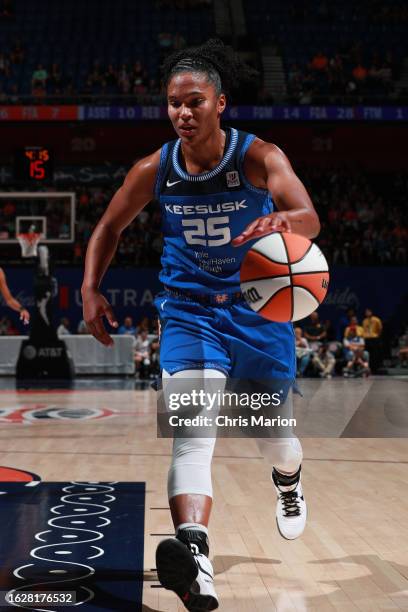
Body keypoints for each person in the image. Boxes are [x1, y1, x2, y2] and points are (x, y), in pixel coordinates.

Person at [81, 39, 320, 611]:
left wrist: (275, 219)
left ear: (220, 104)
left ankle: (289, 482)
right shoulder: (153, 169)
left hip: (256, 310)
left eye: (194, 102)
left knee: (275, 440)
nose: (182, 113)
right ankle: (197, 560)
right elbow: (109, 227)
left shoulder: (259, 157)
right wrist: (91, 287)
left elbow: (309, 217)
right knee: (193, 438)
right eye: (173, 104)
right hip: (189, 312)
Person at [362, 308, 383, 373]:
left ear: (371, 312)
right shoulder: (364, 321)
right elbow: (364, 330)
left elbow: (380, 329)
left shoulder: (376, 320)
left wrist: (376, 335)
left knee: (375, 354)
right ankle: (368, 368)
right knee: (367, 354)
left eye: (368, 312)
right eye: (366, 312)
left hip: (374, 338)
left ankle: (375, 368)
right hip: (367, 339)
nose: (367, 313)